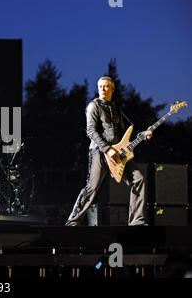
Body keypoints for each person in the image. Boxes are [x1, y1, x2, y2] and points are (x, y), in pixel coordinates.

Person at [65, 77, 152, 226]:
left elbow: (125, 133)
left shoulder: (116, 109)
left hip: (120, 154)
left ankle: (137, 221)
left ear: (113, 89)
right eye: (100, 86)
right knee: (91, 188)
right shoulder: (94, 106)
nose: (103, 89)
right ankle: (72, 222)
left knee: (139, 179)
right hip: (99, 152)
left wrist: (142, 135)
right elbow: (91, 131)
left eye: (106, 87)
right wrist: (107, 149)